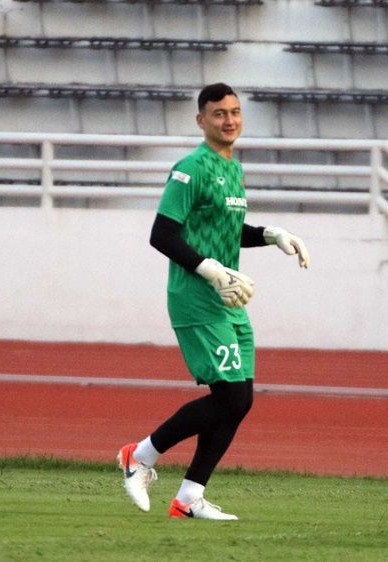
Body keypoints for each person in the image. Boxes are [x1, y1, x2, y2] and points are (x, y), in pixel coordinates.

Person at [117, 83, 309, 521]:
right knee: (231, 397)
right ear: (201, 120)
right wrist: (210, 269)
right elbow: (162, 235)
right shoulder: (190, 169)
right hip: (196, 297)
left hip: (229, 298)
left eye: (235, 112)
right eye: (219, 113)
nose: (229, 120)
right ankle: (140, 455)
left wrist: (271, 235)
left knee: (240, 399)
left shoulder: (233, 169)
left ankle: (189, 497)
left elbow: (226, 231)